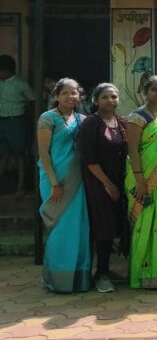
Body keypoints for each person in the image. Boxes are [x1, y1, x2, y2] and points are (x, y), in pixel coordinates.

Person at [37, 78, 90, 293]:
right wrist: (54, 182)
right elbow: (43, 153)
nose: (71, 96)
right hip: (55, 180)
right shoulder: (47, 119)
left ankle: (79, 278)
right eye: (66, 93)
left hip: (77, 181)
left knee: (79, 227)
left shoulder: (84, 120)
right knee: (60, 227)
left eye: (74, 93)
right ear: (56, 96)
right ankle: (58, 280)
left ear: (80, 96)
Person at [125, 75, 157, 289]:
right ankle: (143, 273)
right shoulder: (137, 117)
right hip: (141, 176)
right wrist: (140, 180)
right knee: (143, 222)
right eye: (153, 89)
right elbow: (132, 151)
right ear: (145, 92)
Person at [78, 83, 128, 293]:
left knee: (118, 224)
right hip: (99, 184)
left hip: (120, 182)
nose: (110, 101)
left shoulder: (121, 122)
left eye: (114, 97)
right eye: (105, 97)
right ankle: (101, 274)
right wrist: (107, 184)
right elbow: (88, 158)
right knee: (103, 228)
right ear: (96, 100)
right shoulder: (91, 123)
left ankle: (108, 269)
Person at [0, 54, 35, 197]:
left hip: (16, 121)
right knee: (3, 154)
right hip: (2, 121)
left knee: (20, 154)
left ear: (6, 70)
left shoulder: (21, 84)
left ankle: (21, 186)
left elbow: (32, 99)